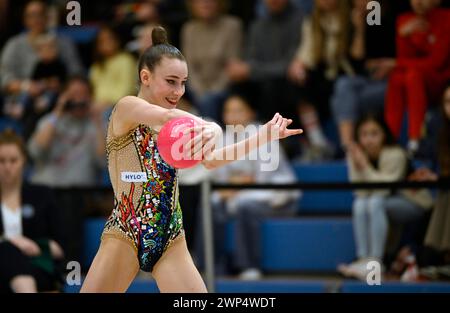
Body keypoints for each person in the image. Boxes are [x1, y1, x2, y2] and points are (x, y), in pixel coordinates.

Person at [80, 26, 302, 293]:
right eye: (171, 81)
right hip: (126, 233)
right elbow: (164, 117)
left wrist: (263, 137)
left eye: (183, 82)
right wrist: (212, 127)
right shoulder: (127, 107)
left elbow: (212, 161)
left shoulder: (177, 127)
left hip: (171, 237)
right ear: (145, 77)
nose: (179, 91)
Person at [200, 94, 300, 280]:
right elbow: (219, 175)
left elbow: (263, 178)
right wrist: (232, 186)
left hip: (276, 195)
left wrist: (238, 184)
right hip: (237, 193)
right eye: (229, 111)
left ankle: (249, 265)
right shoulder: (223, 136)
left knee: (245, 206)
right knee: (211, 204)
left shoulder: (264, 133)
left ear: (251, 113)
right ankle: (211, 265)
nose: (234, 116)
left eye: (239, 110)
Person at [338, 114, 433, 281]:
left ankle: (376, 261)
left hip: (414, 203)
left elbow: (384, 190)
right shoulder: (355, 154)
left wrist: (364, 166)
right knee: (359, 204)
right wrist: (357, 163)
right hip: (384, 203)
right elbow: (360, 192)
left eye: (374, 134)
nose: (369, 140)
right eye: (364, 134)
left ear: (384, 134)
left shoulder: (395, 153)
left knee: (375, 202)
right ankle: (363, 259)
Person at [0, 129, 66, 293]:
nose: (7, 167)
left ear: (23, 161)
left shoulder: (42, 195)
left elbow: (60, 247)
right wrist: (13, 242)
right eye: (1, 161)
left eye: (13, 160)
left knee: (11, 253)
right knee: (7, 250)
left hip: (38, 266)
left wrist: (35, 245)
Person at [384, 0, 450, 155]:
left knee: (412, 74)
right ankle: (389, 138)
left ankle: (415, 139)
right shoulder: (404, 20)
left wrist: (396, 62)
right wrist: (403, 36)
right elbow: (404, 60)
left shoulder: (446, 18)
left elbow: (436, 62)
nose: (418, 2)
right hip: (415, 80)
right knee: (396, 78)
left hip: (441, 81)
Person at [181, 0, 243, 121]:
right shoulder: (189, 29)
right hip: (196, 89)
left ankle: (213, 137)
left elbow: (233, 65)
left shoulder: (232, 25)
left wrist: (213, 91)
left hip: (225, 87)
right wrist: (200, 92)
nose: (205, 4)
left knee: (208, 101)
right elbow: (189, 67)